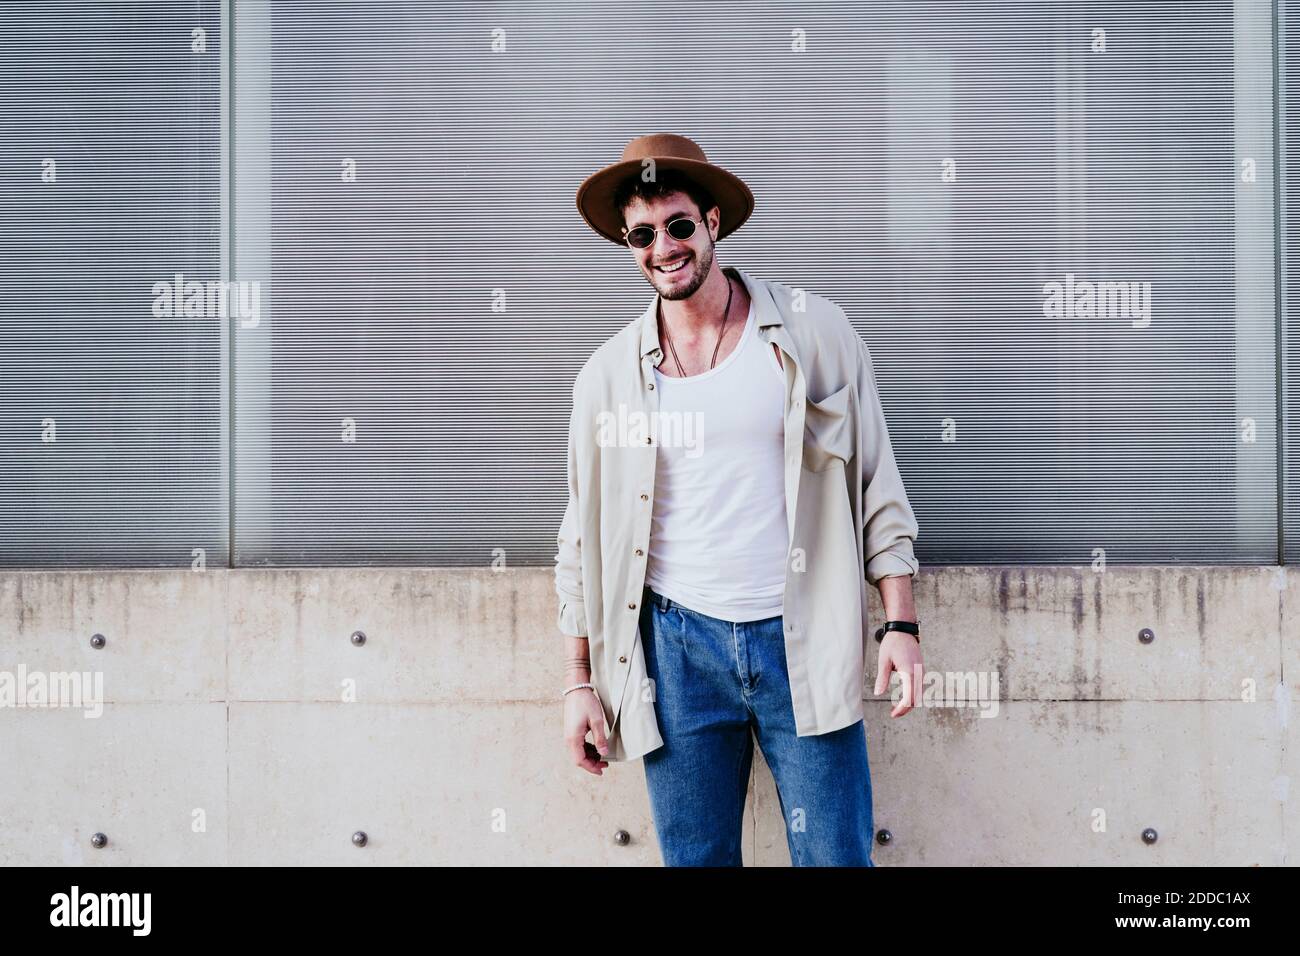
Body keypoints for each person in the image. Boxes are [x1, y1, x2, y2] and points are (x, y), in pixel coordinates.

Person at [556, 132, 923, 866]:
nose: (665, 247)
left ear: (713, 223)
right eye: (643, 234)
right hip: (676, 650)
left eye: (680, 225)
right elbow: (580, 541)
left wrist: (900, 626)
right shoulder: (606, 378)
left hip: (802, 639)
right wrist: (579, 683)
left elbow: (876, 487)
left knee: (837, 859)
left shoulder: (813, 334)